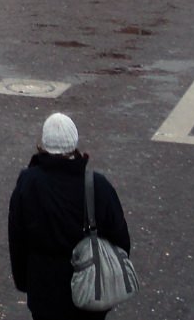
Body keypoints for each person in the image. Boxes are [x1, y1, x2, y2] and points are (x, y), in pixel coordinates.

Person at [8, 112, 131, 320]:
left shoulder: (28, 183)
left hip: (44, 290)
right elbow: (121, 240)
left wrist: (24, 281)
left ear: (43, 145)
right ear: (74, 144)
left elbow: (17, 239)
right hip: (91, 289)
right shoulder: (97, 185)